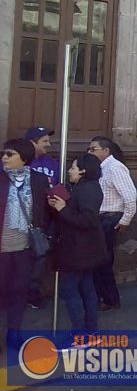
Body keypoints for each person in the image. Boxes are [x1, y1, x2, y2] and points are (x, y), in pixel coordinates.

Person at [48, 153, 107, 334]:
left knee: (69, 290)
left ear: (83, 170)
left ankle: (80, 331)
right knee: (87, 288)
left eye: (73, 167)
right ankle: (90, 330)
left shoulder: (87, 190)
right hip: (84, 249)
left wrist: (63, 209)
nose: (69, 171)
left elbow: (87, 220)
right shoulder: (84, 188)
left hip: (78, 250)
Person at [1, 138, 50, 348]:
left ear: (24, 158)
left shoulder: (38, 180)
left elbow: (44, 210)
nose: (4, 157)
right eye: (3, 154)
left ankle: (14, 332)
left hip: (24, 248)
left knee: (19, 291)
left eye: (9, 154)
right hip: (2, 248)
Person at [88, 136, 137, 312]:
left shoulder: (115, 168)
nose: (90, 152)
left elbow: (130, 196)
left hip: (110, 219)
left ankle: (109, 299)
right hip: (101, 218)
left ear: (106, 150)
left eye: (93, 149)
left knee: (104, 261)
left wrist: (125, 220)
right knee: (99, 260)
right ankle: (101, 295)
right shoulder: (100, 168)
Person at [24, 126, 59, 310]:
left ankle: (32, 292)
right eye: (44, 141)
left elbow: (58, 188)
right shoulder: (19, 161)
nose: (49, 144)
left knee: (40, 256)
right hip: (19, 219)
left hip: (43, 220)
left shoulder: (53, 164)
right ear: (33, 142)